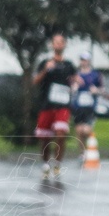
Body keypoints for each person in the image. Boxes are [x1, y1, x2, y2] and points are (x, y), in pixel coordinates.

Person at [32, 34, 76, 180]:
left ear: (64, 45)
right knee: (44, 137)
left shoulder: (69, 65)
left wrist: (76, 84)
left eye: (60, 42)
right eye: (55, 42)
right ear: (52, 45)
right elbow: (35, 81)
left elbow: (76, 80)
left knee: (61, 133)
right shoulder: (45, 62)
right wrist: (45, 70)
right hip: (47, 105)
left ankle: (57, 164)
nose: (58, 45)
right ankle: (45, 165)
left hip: (63, 105)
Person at [72, 51, 103, 160]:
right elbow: (70, 88)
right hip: (77, 106)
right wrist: (73, 88)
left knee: (86, 129)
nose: (83, 62)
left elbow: (102, 89)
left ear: (89, 61)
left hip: (90, 106)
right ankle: (82, 153)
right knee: (79, 130)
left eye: (85, 59)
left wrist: (96, 90)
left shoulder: (95, 75)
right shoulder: (76, 75)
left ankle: (92, 147)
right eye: (81, 59)